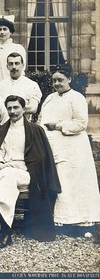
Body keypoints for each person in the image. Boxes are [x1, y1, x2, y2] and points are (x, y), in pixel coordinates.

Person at [0, 95, 61, 249]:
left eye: (16, 107)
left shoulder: (36, 130)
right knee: (5, 177)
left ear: (23, 109)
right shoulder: (1, 131)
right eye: (9, 108)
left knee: (2, 179)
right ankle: (5, 233)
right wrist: (0, 164)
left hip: (26, 174)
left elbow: (43, 156)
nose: (12, 111)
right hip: (5, 172)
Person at [39, 65, 100, 236]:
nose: (57, 83)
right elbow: (42, 120)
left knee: (74, 184)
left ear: (69, 80)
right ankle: (63, 221)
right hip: (55, 147)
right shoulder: (50, 98)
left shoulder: (77, 98)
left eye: (60, 80)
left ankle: (81, 222)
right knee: (61, 183)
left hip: (74, 148)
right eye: (54, 80)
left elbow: (81, 123)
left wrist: (58, 125)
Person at [0, 52, 41, 121]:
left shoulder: (31, 85)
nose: (14, 67)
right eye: (11, 64)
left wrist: (8, 109)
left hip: (24, 125)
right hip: (3, 125)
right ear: (7, 66)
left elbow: (33, 108)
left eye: (17, 63)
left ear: (22, 65)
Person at [0, 15, 26, 81]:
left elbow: (21, 69)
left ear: (10, 31)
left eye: (5, 29)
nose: (2, 32)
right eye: (0, 29)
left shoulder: (18, 48)